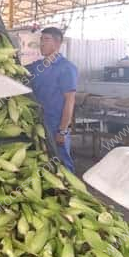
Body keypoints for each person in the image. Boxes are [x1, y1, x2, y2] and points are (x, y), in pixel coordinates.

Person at [26, 27, 78, 172]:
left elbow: (70, 100)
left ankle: (70, 192)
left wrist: (62, 130)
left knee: (61, 162)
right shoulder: (37, 67)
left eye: (46, 40)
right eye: (41, 40)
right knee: (43, 161)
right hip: (38, 124)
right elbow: (17, 71)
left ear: (57, 43)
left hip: (56, 125)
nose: (42, 43)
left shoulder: (66, 68)